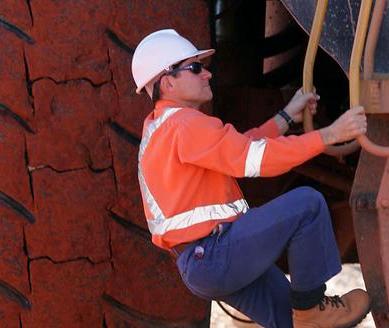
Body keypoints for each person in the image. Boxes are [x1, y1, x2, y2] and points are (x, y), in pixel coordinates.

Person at [131, 29, 372, 328]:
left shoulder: (162, 127)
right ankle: (313, 308)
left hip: (202, 265)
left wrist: (285, 116)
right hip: (215, 255)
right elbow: (255, 159)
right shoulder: (184, 125)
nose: (206, 74)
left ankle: (310, 315)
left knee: (291, 322)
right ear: (168, 82)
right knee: (307, 206)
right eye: (195, 68)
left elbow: (237, 148)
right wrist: (330, 135)